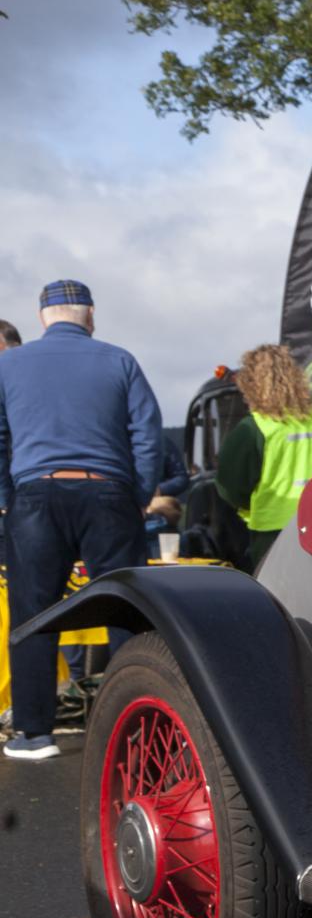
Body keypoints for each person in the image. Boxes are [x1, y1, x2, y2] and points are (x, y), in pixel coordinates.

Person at [0, 280, 164, 761]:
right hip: (108, 493)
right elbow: (147, 434)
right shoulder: (119, 360)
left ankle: (34, 734)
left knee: (32, 614)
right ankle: (140, 730)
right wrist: (137, 496)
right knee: (127, 611)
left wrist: (8, 499)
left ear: (41, 317)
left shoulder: (8, 364)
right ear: (90, 314)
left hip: (36, 496)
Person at [214, 343, 312, 571]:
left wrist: (251, 507)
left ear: (250, 385)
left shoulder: (254, 427)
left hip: (274, 535)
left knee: (280, 601)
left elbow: (229, 488)